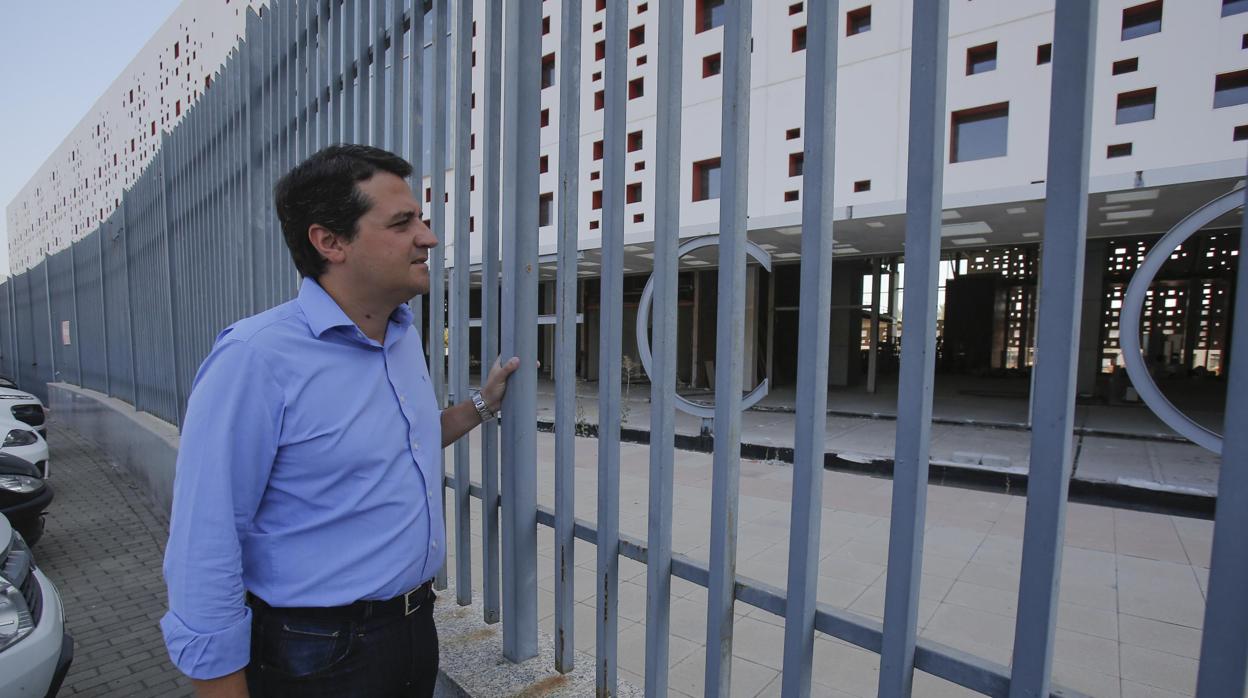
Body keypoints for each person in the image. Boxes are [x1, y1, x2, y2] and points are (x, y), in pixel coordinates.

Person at [160, 144, 519, 697]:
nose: (428, 236)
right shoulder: (255, 359)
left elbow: (405, 442)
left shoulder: (399, 337)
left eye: (420, 219)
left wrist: (481, 405)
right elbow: (204, 541)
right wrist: (220, 686)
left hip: (414, 629)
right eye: (403, 223)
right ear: (329, 241)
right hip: (317, 651)